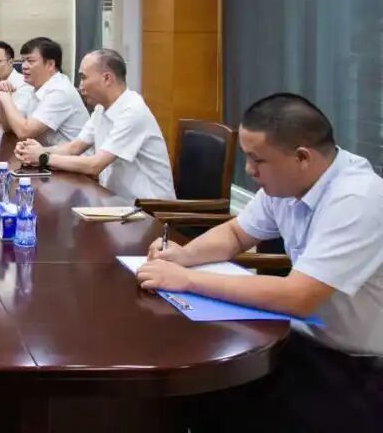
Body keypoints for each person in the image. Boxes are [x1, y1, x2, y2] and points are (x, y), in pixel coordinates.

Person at [136, 93, 383, 432]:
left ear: (302, 157)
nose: (249, 170)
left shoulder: (356, 199)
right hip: (301, 341)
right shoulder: (286, 186)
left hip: (357, 367)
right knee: (198, 396)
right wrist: (183, 255)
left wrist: (187, 280)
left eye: (257, 160)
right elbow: (236, 233)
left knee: (225, 405)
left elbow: (299, 296)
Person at [15, 49, 174, 199]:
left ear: (107, 78)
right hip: (115, 201)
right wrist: (36, 151)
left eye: (84, 78)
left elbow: (95, 165)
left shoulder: (132, 111)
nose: (80, 86)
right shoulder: (101, 108)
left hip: (149, 209)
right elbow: (74, 148)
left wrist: (43, 157)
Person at [0, 37, 88, 146]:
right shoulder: (35, 88)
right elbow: (9, 128)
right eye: (23, 61)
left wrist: (6, 99)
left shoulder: (60, 91)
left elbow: (24, 132)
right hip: (47, 153)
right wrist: (1, 99)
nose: (24, 66)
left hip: (72, 156)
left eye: (30, 61)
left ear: (50, 64)